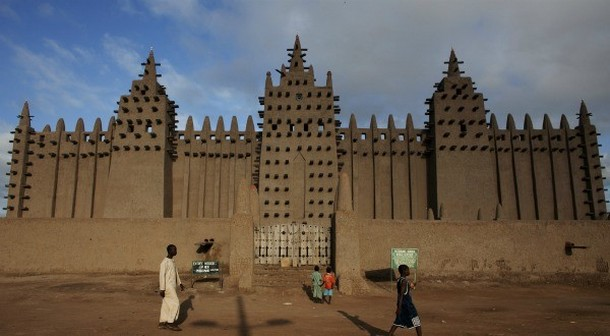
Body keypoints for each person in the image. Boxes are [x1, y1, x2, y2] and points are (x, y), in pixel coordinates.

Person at [388, 264, 422, 336]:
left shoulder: (400, 280)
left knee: (398, 321)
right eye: (407, 270)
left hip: (403, 305)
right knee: (416, 321)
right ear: (404, 271)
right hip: (407, 305)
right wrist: (399, 308)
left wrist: (412, 286)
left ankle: (390, 334)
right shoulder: (404, 282)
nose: (409, 271)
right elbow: (401, 295)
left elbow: (406, 289)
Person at [159, 244, 185, 331]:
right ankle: (171, 323)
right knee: (176, 303)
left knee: (166, 304)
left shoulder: (172, 261)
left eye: (176, 249)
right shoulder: (164, 262)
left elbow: (176, 273)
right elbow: (161, 276)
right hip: (168, 287)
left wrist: (180, 283)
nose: (176, 251)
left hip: (173, 286)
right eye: (174, 250)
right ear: (169, 251)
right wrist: (162, 289)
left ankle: (162, 322)